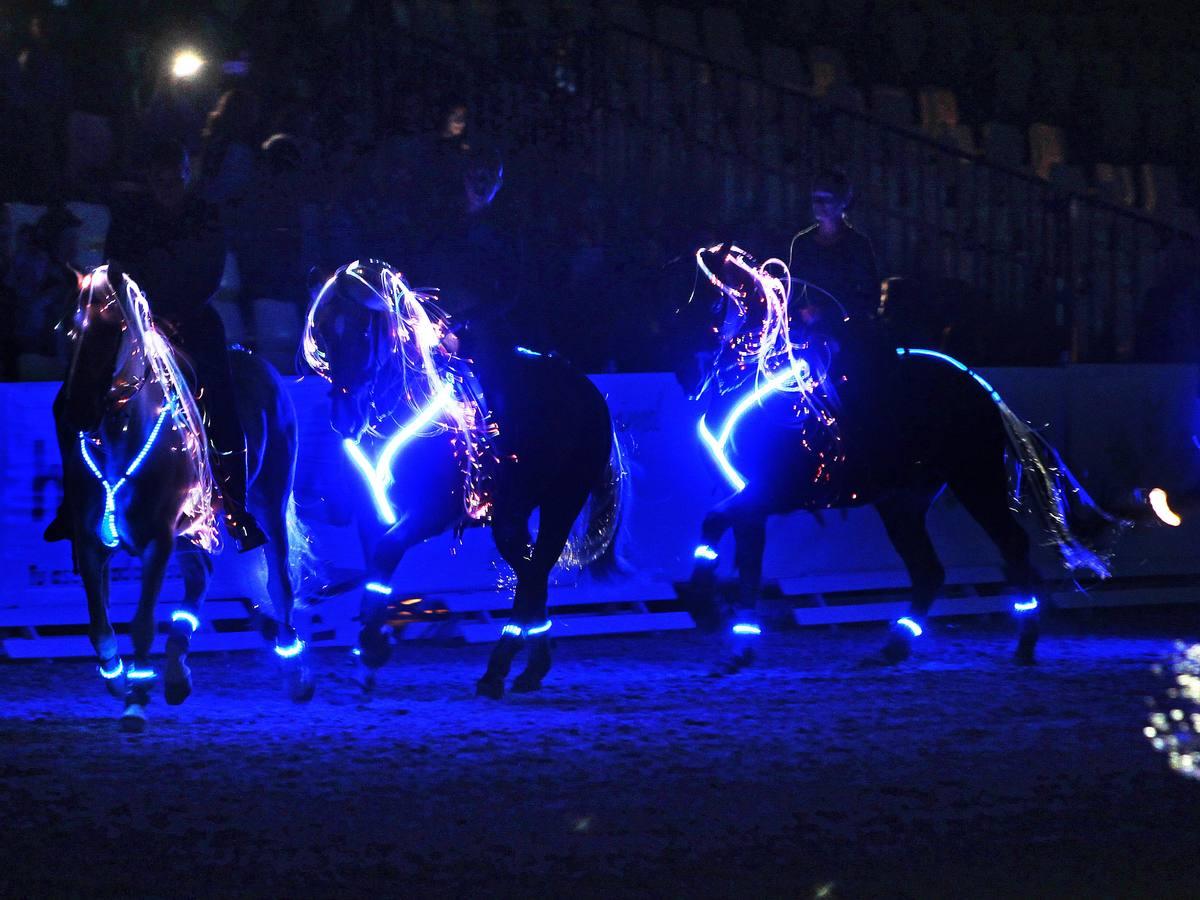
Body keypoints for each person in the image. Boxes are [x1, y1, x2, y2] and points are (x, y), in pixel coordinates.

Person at [44, 141, 266, 551]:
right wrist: (138, 314)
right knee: (70, 398)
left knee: (219, 399)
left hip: (192, 319)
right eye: (160, 174)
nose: (168, 181)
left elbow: (209, 272)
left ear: (186, 172)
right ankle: (73, 502)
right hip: (132, 320)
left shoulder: (204, 214)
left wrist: (174, 313)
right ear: (150, 176)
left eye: (175, 172)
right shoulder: (131, 215)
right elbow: (116, 267)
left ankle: (236, 508)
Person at [787, 169, 881, 324]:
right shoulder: (802, 243)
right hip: (809, 328)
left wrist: (829, 314)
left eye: (827, 199)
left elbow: (870, 296)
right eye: (816, 199)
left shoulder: (857, 245)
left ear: (843, 201)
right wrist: (800, 312)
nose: (819, 205)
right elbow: (793, 288)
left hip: (846, 329)